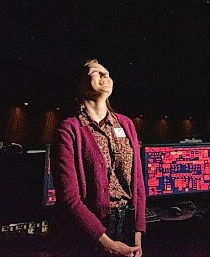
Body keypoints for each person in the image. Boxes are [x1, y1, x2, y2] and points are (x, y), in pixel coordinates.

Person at [50, 59, 145, 256]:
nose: (105, 75)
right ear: (80, 86)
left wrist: (137, 233)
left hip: (128, 224)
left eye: (107, 72)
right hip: (90, 233)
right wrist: (106, 242)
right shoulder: (68, 130)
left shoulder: (126, 125)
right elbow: (69, 198)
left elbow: (138, 185)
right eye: (96, 71)